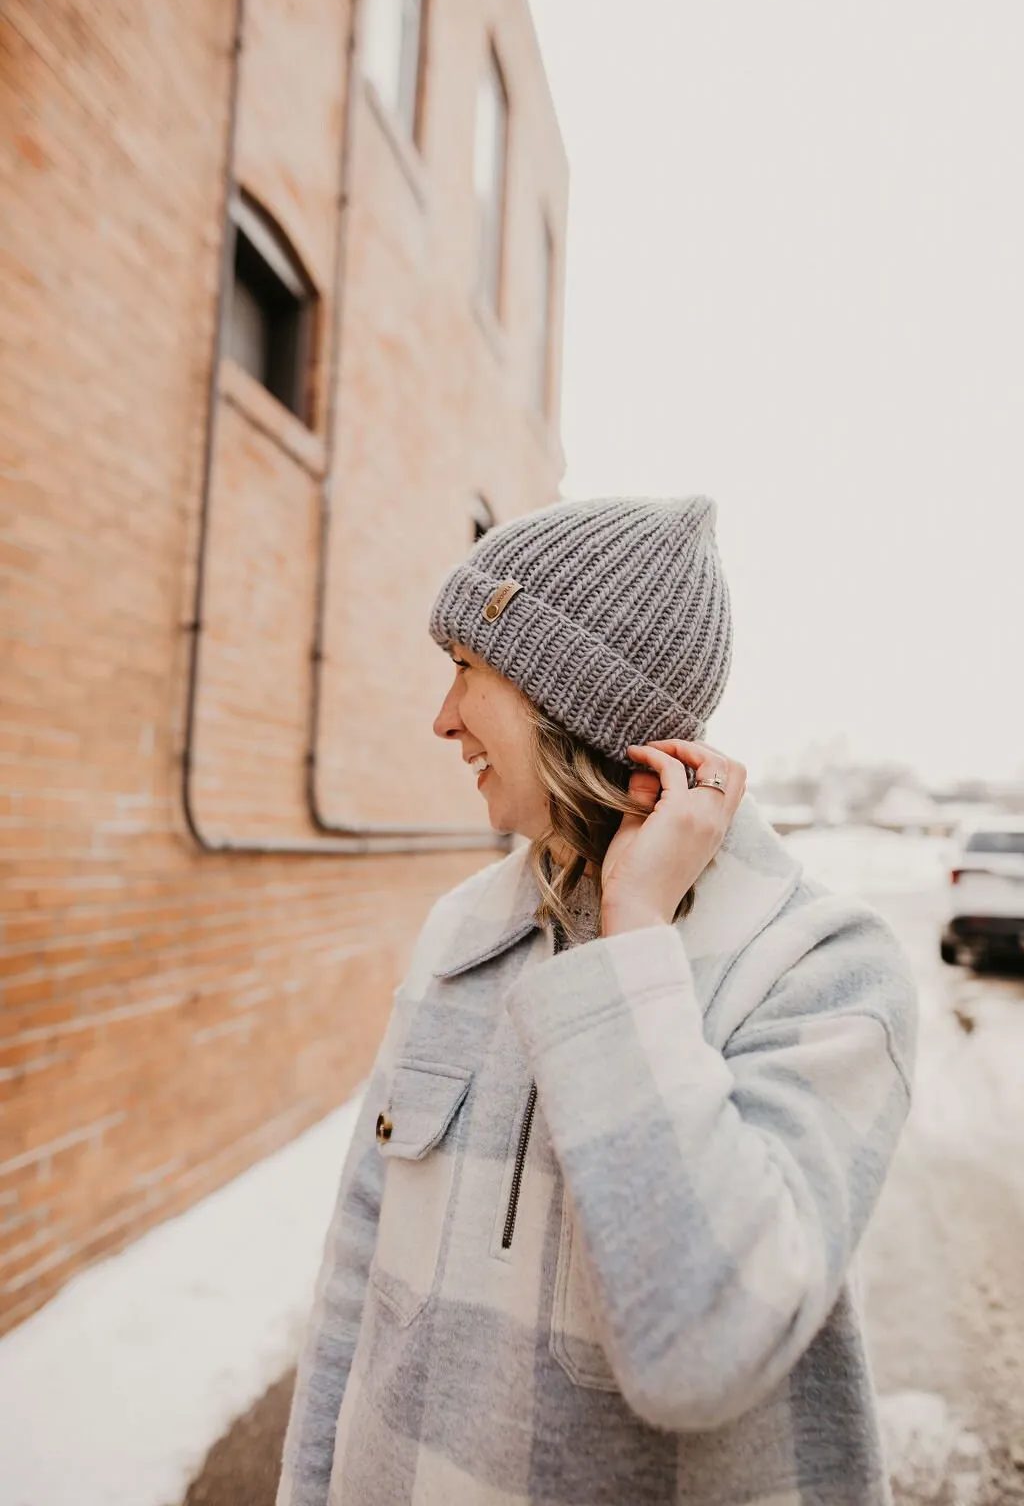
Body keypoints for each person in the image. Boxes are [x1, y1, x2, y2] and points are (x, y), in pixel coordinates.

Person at [277, 494, 917, 1506]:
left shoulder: (820, 964)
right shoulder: (460, 932)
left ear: (558, 695)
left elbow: (704, 1344)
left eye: (465, 671)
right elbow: (355, 1292)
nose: (440, 718)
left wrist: (632, 933)